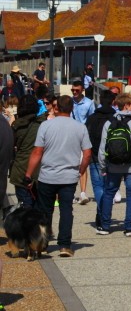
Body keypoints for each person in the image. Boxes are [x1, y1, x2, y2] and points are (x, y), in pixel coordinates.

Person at [25, 95, 92, 258]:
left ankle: (44, 243)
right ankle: (64, 245)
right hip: (69, 176)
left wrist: (28, 174)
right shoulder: (80, 127)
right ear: (72, 109)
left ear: (56, 108)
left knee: (45, 211)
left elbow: (37, 152)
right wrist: (81, 169)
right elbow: (87, 153)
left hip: (48, 175)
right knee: (66, 210)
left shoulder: (46, 126)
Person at [98, 93, 131, 236]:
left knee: (109, 193)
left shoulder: (109, 123)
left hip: (113, 165)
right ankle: (128, 227)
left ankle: (105, 226)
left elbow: (103, 147)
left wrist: (103, 166)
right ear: (126, 105)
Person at [85, 89, 117, 231]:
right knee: (108, 188)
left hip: (94, 156)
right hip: (112, 157)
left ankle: (101, 214)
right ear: (113, 101)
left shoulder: (92, 118)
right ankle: (104, 215)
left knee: (98, 187)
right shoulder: (115, 117)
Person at [10, 96, 46, 208]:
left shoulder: (16, 126)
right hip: (40, 170)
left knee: (25, 206)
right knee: (40, 206)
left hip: (20, 169)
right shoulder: (43, 125)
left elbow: (11, 146)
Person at [69, 81, 95, 204]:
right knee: (70, 165)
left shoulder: (89, 103)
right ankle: (71, 192)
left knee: (83, 164)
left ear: (82, 90)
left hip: (84, 136)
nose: (74, 92)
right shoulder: (68, 102)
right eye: (72, 90)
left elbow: (92, 120)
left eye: (77, 90)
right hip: (70, 136)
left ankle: (83, 192)